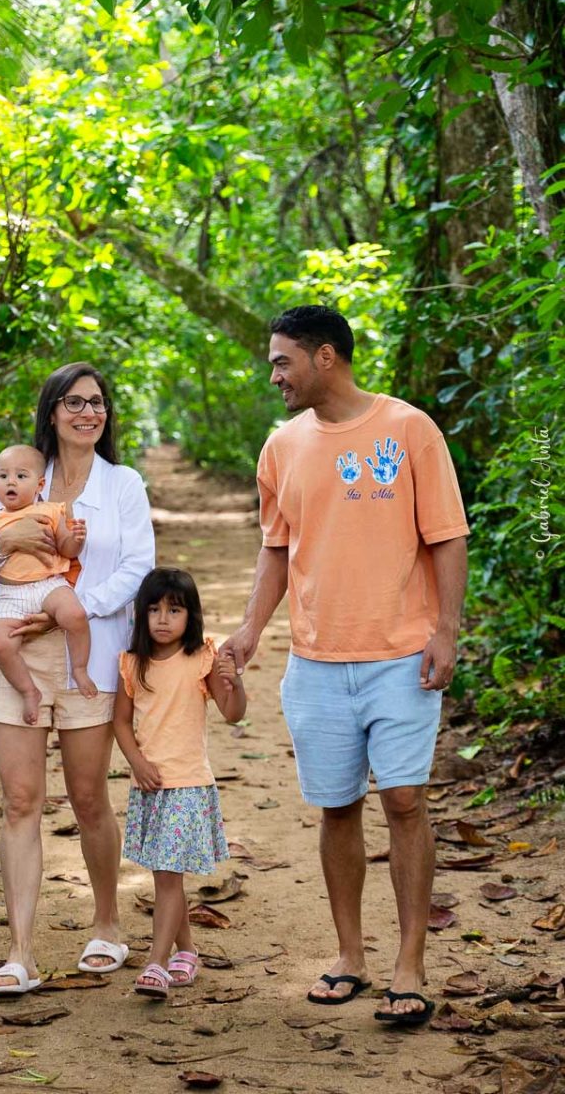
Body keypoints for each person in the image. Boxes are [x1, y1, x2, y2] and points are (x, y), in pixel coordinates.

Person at [223, 305, 469, 1028]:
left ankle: (410, 964)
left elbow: (447, 537)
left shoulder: (409, 429)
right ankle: (350, 955)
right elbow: (276, 549)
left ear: (324, 357)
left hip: (401, 655)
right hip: (317, 661)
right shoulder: (281, 447)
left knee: (405, 802)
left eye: (282, 362)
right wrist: (250, 630)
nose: (274, 376)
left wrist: (446, 631)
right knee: (337, 807)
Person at [0, 363, 155, 996]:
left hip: (88, 651)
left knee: (88, 796)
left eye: (97, 402)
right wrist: (4, 545)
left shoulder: (122, 484)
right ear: (52, 410)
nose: (87, 412)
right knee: (20, 801)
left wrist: (70, 610)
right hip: (16, 652)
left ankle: (107, 925)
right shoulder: (21, 470)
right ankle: (20, 953)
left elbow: (138, 568)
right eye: (74, 402)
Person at [114, 567, 246, 999]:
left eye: (174, 610)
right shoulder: (132, 663)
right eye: (153, 609)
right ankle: (186, 951)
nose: (163, 619)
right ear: (141, 614)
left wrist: (234, 681)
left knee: (169, 877)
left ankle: (156, 963)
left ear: (191, 616)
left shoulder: (202, 659)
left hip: (188, 784)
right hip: (150, 786)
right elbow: (121, 722)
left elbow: (233, 713)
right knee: (166, 878)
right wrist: (136, 762)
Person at [0, 444, 97, 723]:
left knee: (75, 615)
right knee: (1, 645)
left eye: (21, 476)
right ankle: (28, 691)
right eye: (3, 476)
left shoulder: (50, 512)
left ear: (40, 485)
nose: (11, 482)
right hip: (10, 594)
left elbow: (66, 549)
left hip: (48, 584)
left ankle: (80, 669)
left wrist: (76, 539)